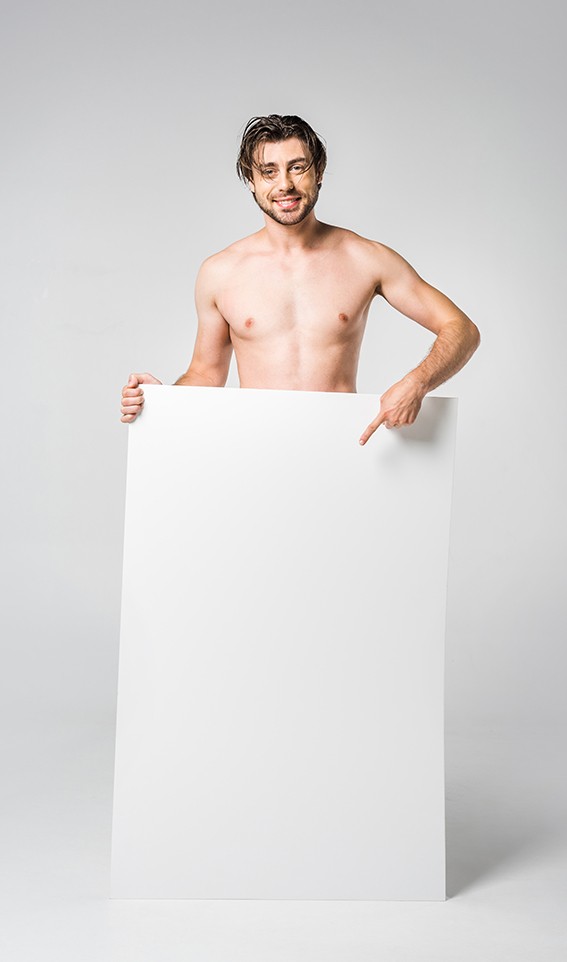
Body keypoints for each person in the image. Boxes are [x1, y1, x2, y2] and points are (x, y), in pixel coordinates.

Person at [120, 114, 479, 444]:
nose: (285, 185)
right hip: (256, 447)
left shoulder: (366, 258)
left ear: (319, 171)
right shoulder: (221, 272)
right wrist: (162, 400)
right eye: (269, 171)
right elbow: (206, 373)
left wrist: (416, 383)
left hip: (342, 446)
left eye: (297, 167)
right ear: (251, 181)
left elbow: (461, 328)